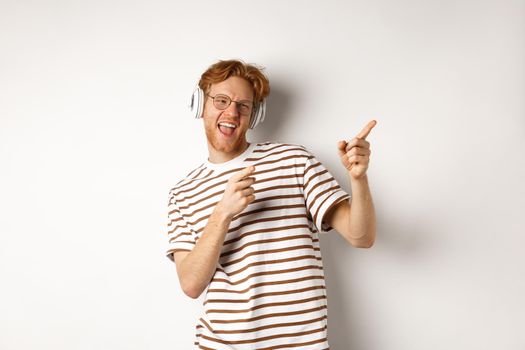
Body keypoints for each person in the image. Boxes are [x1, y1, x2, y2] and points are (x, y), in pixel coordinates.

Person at [165, 59, 376, 349]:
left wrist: (359, 180)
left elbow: (361, 236)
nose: (232, 113)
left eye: (243, 105)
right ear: (200, 103)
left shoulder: (294, 160)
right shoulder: (183, 192)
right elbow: (190, 284)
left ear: (254, 115)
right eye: (221, 100)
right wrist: (223, 213)